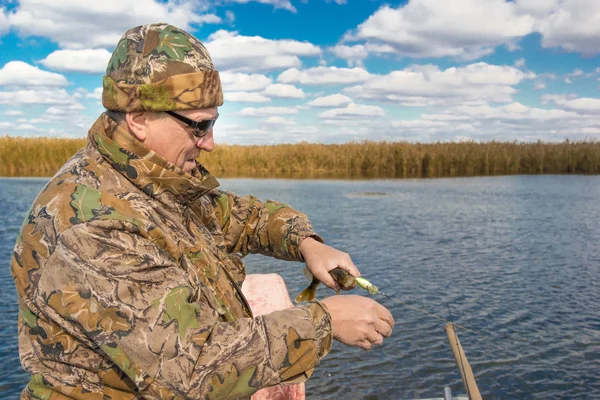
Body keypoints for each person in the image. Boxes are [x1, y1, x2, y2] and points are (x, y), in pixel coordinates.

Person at [10, 23, 394, 399]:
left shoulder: (156, 180)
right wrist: (326, 322)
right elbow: (193, 366)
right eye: (199, 126)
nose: (209, 143)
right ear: (139, 119)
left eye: (213, 123)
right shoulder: (94, 224)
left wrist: (307, 244)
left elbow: (241, 217)